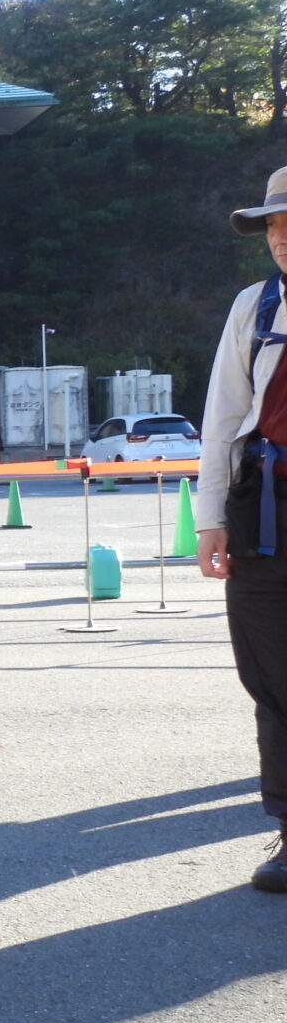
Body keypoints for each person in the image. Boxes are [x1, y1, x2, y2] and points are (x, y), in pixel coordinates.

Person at [198, 164, 287, 891]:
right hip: (263, 507)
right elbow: (224, 417)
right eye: (273, 226)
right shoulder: (254, 308)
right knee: (271, 676)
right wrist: (209, 519)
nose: (281, 238)